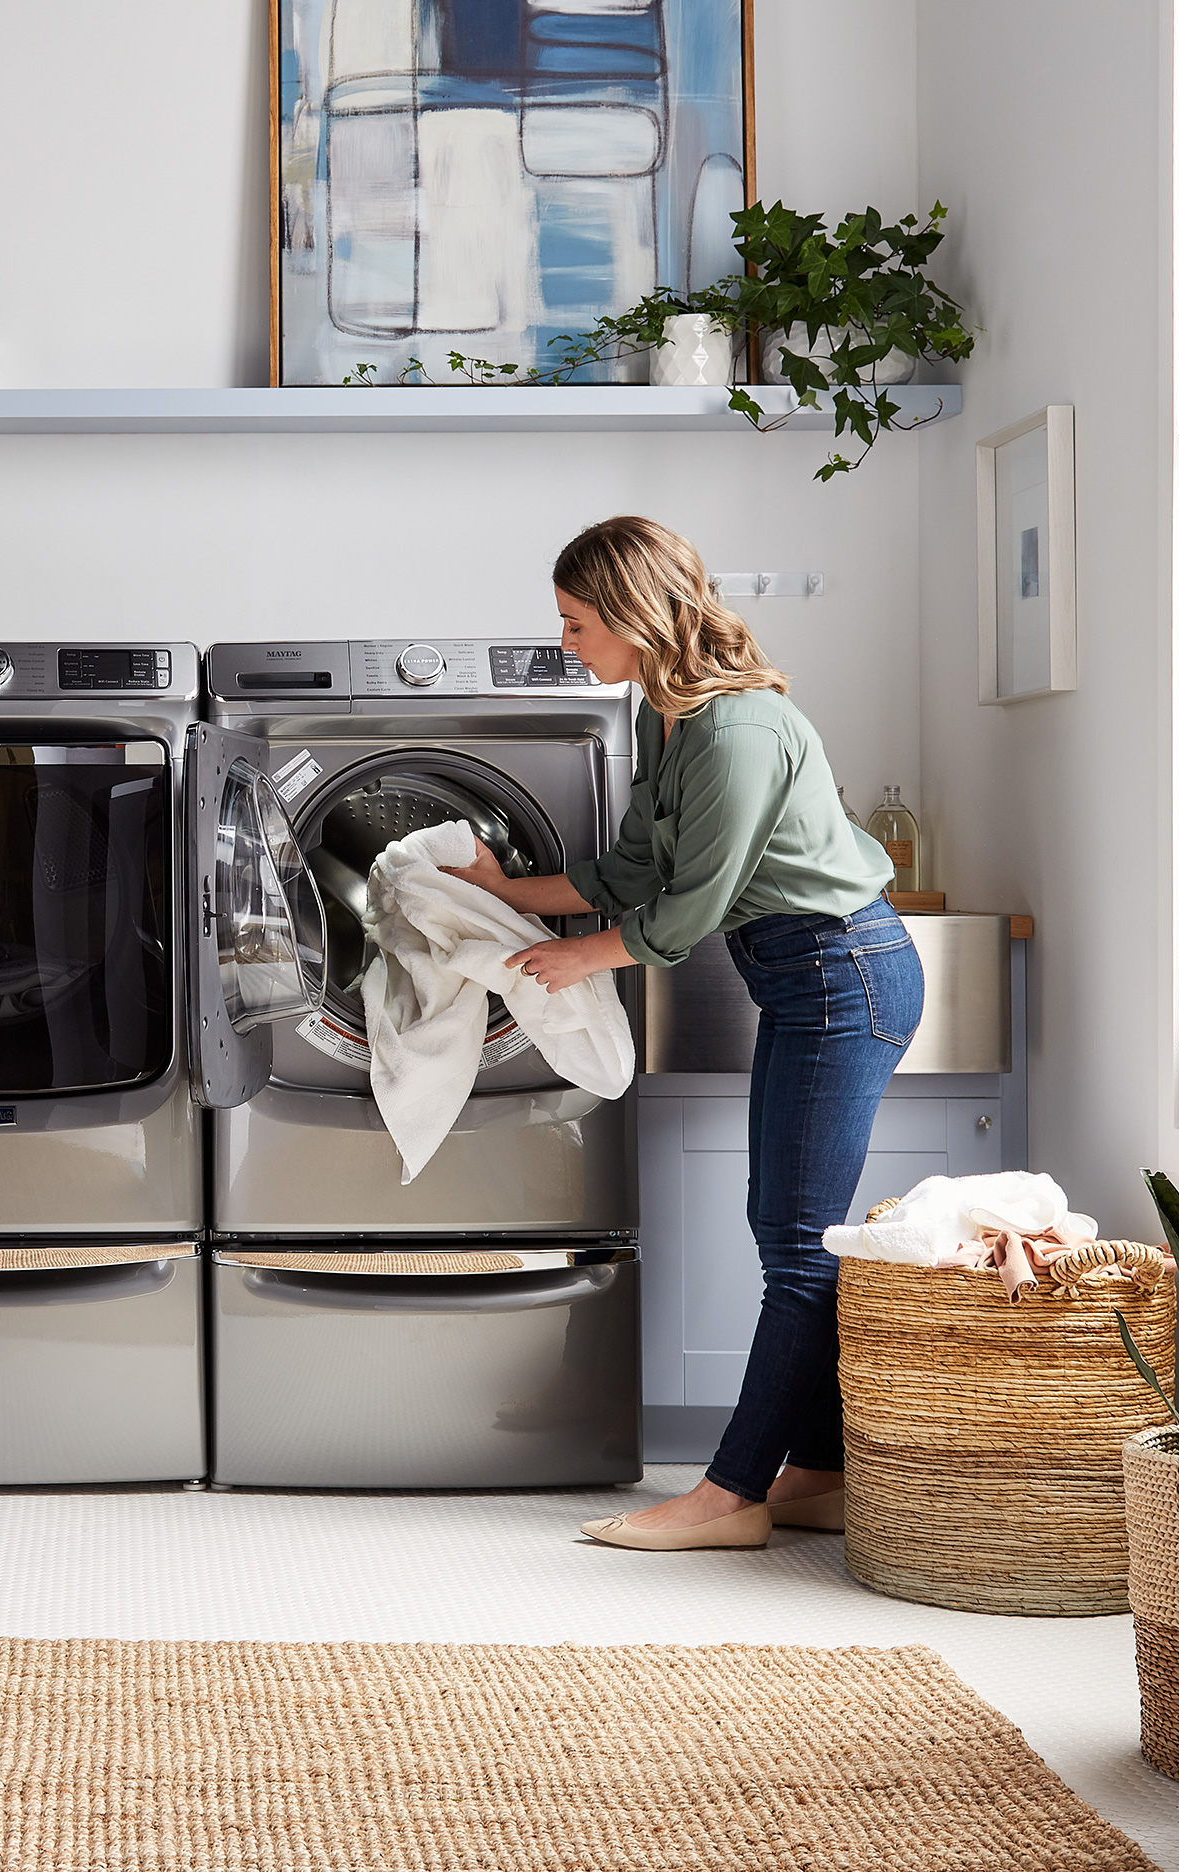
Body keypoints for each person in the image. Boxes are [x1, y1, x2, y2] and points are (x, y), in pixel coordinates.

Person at [448, 515, 923, 1552]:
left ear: (632, 615)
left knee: (796, 1251)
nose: (567, 642)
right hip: (802, 976)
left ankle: (728, 1497)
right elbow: (624, 874)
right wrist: (499, 888)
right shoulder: (661, 718)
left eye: (577, 624)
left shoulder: (735, 730)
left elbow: (690, 906)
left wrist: (580, 957)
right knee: (788, 1239)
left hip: (841, 972)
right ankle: (818, 1470)